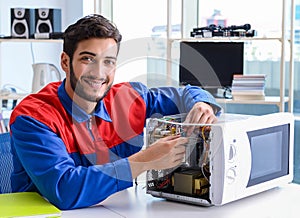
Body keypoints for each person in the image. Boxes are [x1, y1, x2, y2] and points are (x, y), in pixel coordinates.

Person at [9, 14, 221, 210]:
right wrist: (144, 161)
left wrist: (203, 105)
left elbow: (187, 94)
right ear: (66, 62)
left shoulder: (129, 99)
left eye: (108, 61)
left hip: (115, 209)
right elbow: (64, 190)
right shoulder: (33, 117)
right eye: (87, 59)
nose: (99, 73)